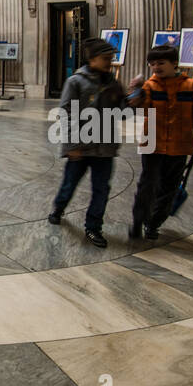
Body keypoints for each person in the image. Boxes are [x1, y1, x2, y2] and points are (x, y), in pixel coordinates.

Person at [48, 37, 127, 248]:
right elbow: (65, 113)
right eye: (105, 58)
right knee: (69, 184)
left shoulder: (114, 83)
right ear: (92, 60)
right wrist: (72, 146)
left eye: (111, 58)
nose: (110, 62)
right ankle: (58, 208)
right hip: (81, 147)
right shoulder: (75, 82)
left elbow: (122, 113)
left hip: (105, 148)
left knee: (101, 189)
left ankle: (93, 227)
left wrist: (131, 100)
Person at [126, 44, 193, 240]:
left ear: (174, 64)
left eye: (161, 63)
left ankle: (154, 223)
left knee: (169, 187)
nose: (156, 67)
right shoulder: (149, 86)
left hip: (179, 146)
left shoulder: (192, 87)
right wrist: (135, 92)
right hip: (153, 144)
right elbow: (140, 108)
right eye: (152, 63)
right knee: (147, 185)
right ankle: (139, 221)